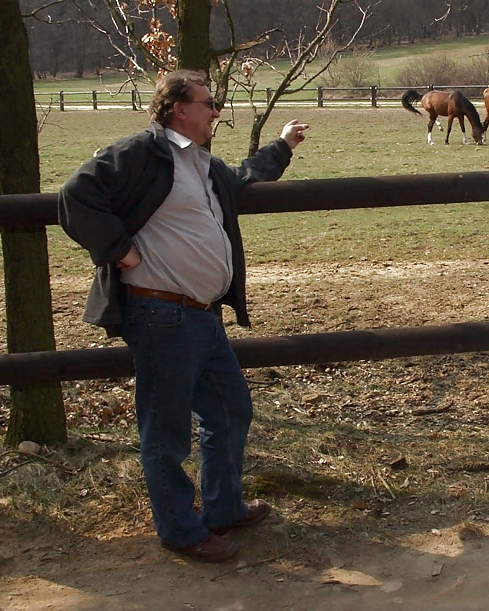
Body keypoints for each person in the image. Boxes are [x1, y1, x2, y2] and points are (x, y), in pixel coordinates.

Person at [58, 69, 309, 561]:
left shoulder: (201, 163)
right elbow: (76, 194)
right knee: (166, 429)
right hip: (158, 313)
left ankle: (222, 508)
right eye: (209, 103)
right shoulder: (141, 153)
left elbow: (244, 176)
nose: (216, 111)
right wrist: (119, 251)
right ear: (179, 108)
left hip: (200, 315)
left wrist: (283, 146)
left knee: (230, 409)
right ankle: (180, 530)